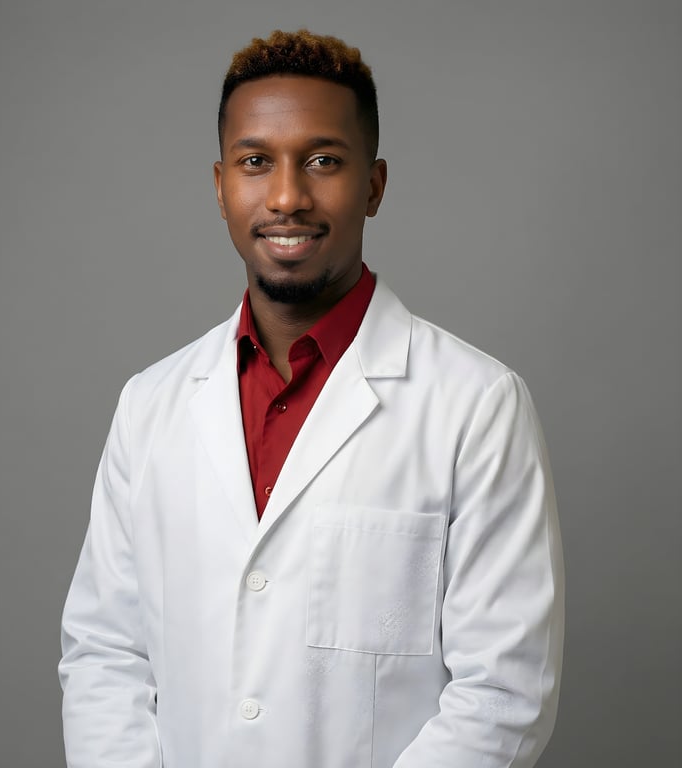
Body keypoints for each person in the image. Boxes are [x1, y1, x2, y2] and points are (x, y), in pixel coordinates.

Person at [59, 29, 564, 768]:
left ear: (375, 186)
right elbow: (104, 654)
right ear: (220, 186)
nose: (287, 197)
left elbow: (503, 693)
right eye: (255, 162)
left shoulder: (477, 406)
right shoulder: (150, 405)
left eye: (323, 161)